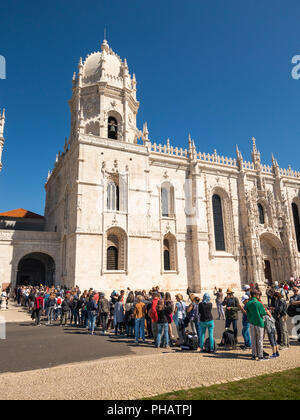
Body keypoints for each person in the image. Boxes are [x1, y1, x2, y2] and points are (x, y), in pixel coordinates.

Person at [245, 290, 268, 361]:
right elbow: (263, 313)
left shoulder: (248, 303)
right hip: (259, 322)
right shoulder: (258, 303)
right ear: (255, 295)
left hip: (252, 322)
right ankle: (260, 355)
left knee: (253, 339)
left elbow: (247, 311)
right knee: (260, 339)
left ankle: (254, 355)